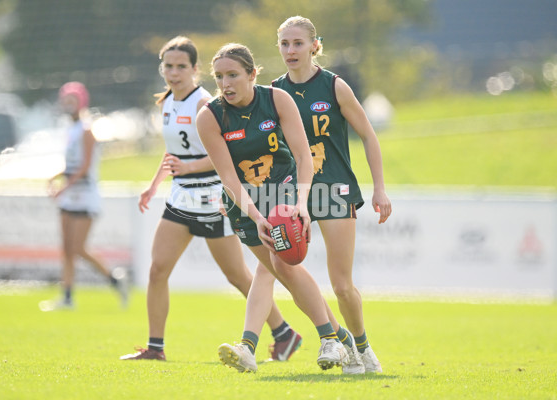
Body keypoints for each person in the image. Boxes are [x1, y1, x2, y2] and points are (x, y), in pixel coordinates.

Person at [120, 36, 302, 362]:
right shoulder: (167, 103)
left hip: (210, 197)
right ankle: (155, 347)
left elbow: (223, 157)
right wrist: (154, 184)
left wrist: (189, 166)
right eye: (168, 66)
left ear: (195, 69)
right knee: (157, 269)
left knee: (238, 275)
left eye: (181, 66)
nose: (173, 73)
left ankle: (284, 332)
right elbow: (174, 152)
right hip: (180, 197)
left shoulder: (206, 103)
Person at [197, 43, 349, 373]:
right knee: (274, 269)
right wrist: (255, 215)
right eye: (219, 76)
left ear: (253, 74)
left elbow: (303, 155)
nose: (226, 84)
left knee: (280, 267)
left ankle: (257, 346)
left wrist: (301, 204)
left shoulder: (278, 99)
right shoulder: (210, 116)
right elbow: (228, 178)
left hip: (283, 192)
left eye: (233, 75)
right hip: (244, 204)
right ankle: (338, 339)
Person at [272, 16, 393, 373]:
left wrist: (380, 189)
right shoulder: (274, 92)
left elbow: (369, 136)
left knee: (341, 285)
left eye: (297, 43)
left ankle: (361, 346)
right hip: (294, 195)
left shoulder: (335, 86)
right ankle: (333, 339)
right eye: (284, 44)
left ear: (314, 45)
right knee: (280, 269)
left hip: (334, 191)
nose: (290, 50)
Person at [39, 81, 128, 312]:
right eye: (65, 100)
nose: (68, 105)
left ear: (81, 102)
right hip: (70, 195)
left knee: (78, 248)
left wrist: (63, 186)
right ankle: (67, 297)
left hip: (85, 195)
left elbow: (85, 167)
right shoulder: (69, 129)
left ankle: (114, 279)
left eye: (73, 100)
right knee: (67, 249)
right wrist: (56, 177)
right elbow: (71, 165)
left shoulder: (87, 130)